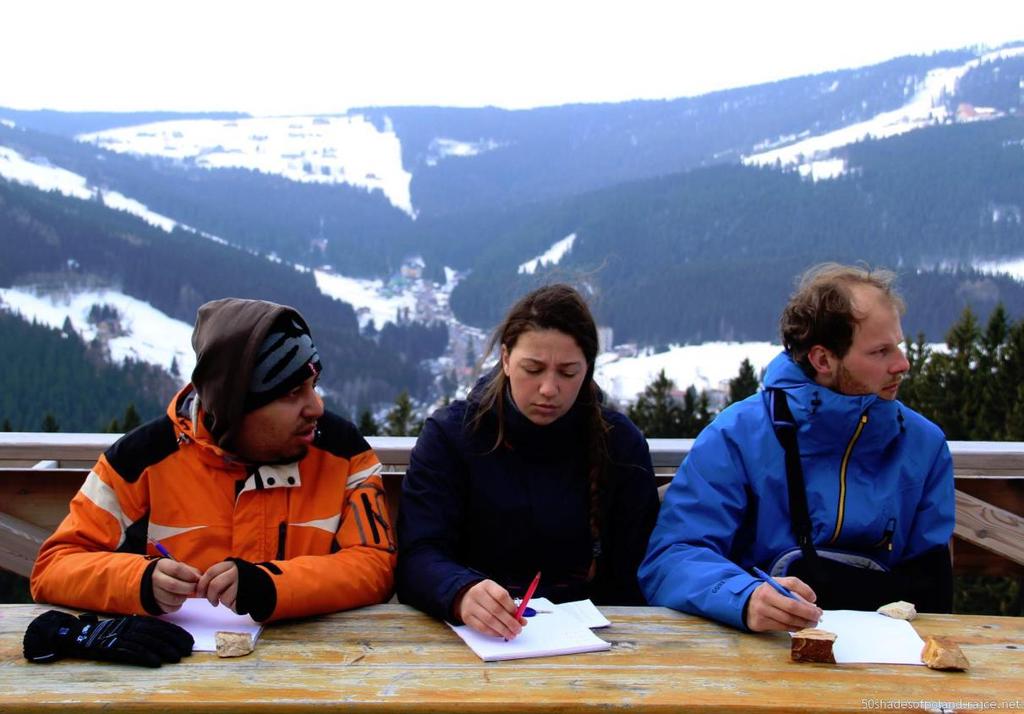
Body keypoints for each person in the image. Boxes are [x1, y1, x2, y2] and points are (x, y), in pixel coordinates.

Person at [31, 298, 395, 623]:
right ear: (236, 405)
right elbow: (54, 567)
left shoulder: (343, 451)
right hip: (174, 683)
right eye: (292, 393)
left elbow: (376, 565)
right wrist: (140, 581)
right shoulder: (141, 460)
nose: (316, 407)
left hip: (316, 674)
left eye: (313, 386)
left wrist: (272, 587)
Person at [640, 264, 955, 632]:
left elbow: (932, 585)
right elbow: (671, 559)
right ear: (823, 360)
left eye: (897, 345)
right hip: (758, 653)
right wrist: (744, 597)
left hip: (888, 659)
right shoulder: (738, 435)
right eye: (880, 352)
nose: (902, 364)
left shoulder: (924, 444)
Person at [397, 284, 659, 639]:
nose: (549, 389)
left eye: (568, 373)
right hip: (475, 639)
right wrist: (460, 592)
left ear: (588, 370)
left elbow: (638, 568)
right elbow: (418, 554)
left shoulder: (620, 445)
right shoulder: (451, 437)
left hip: (596, 642)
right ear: (505, 359)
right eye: (532, 369)